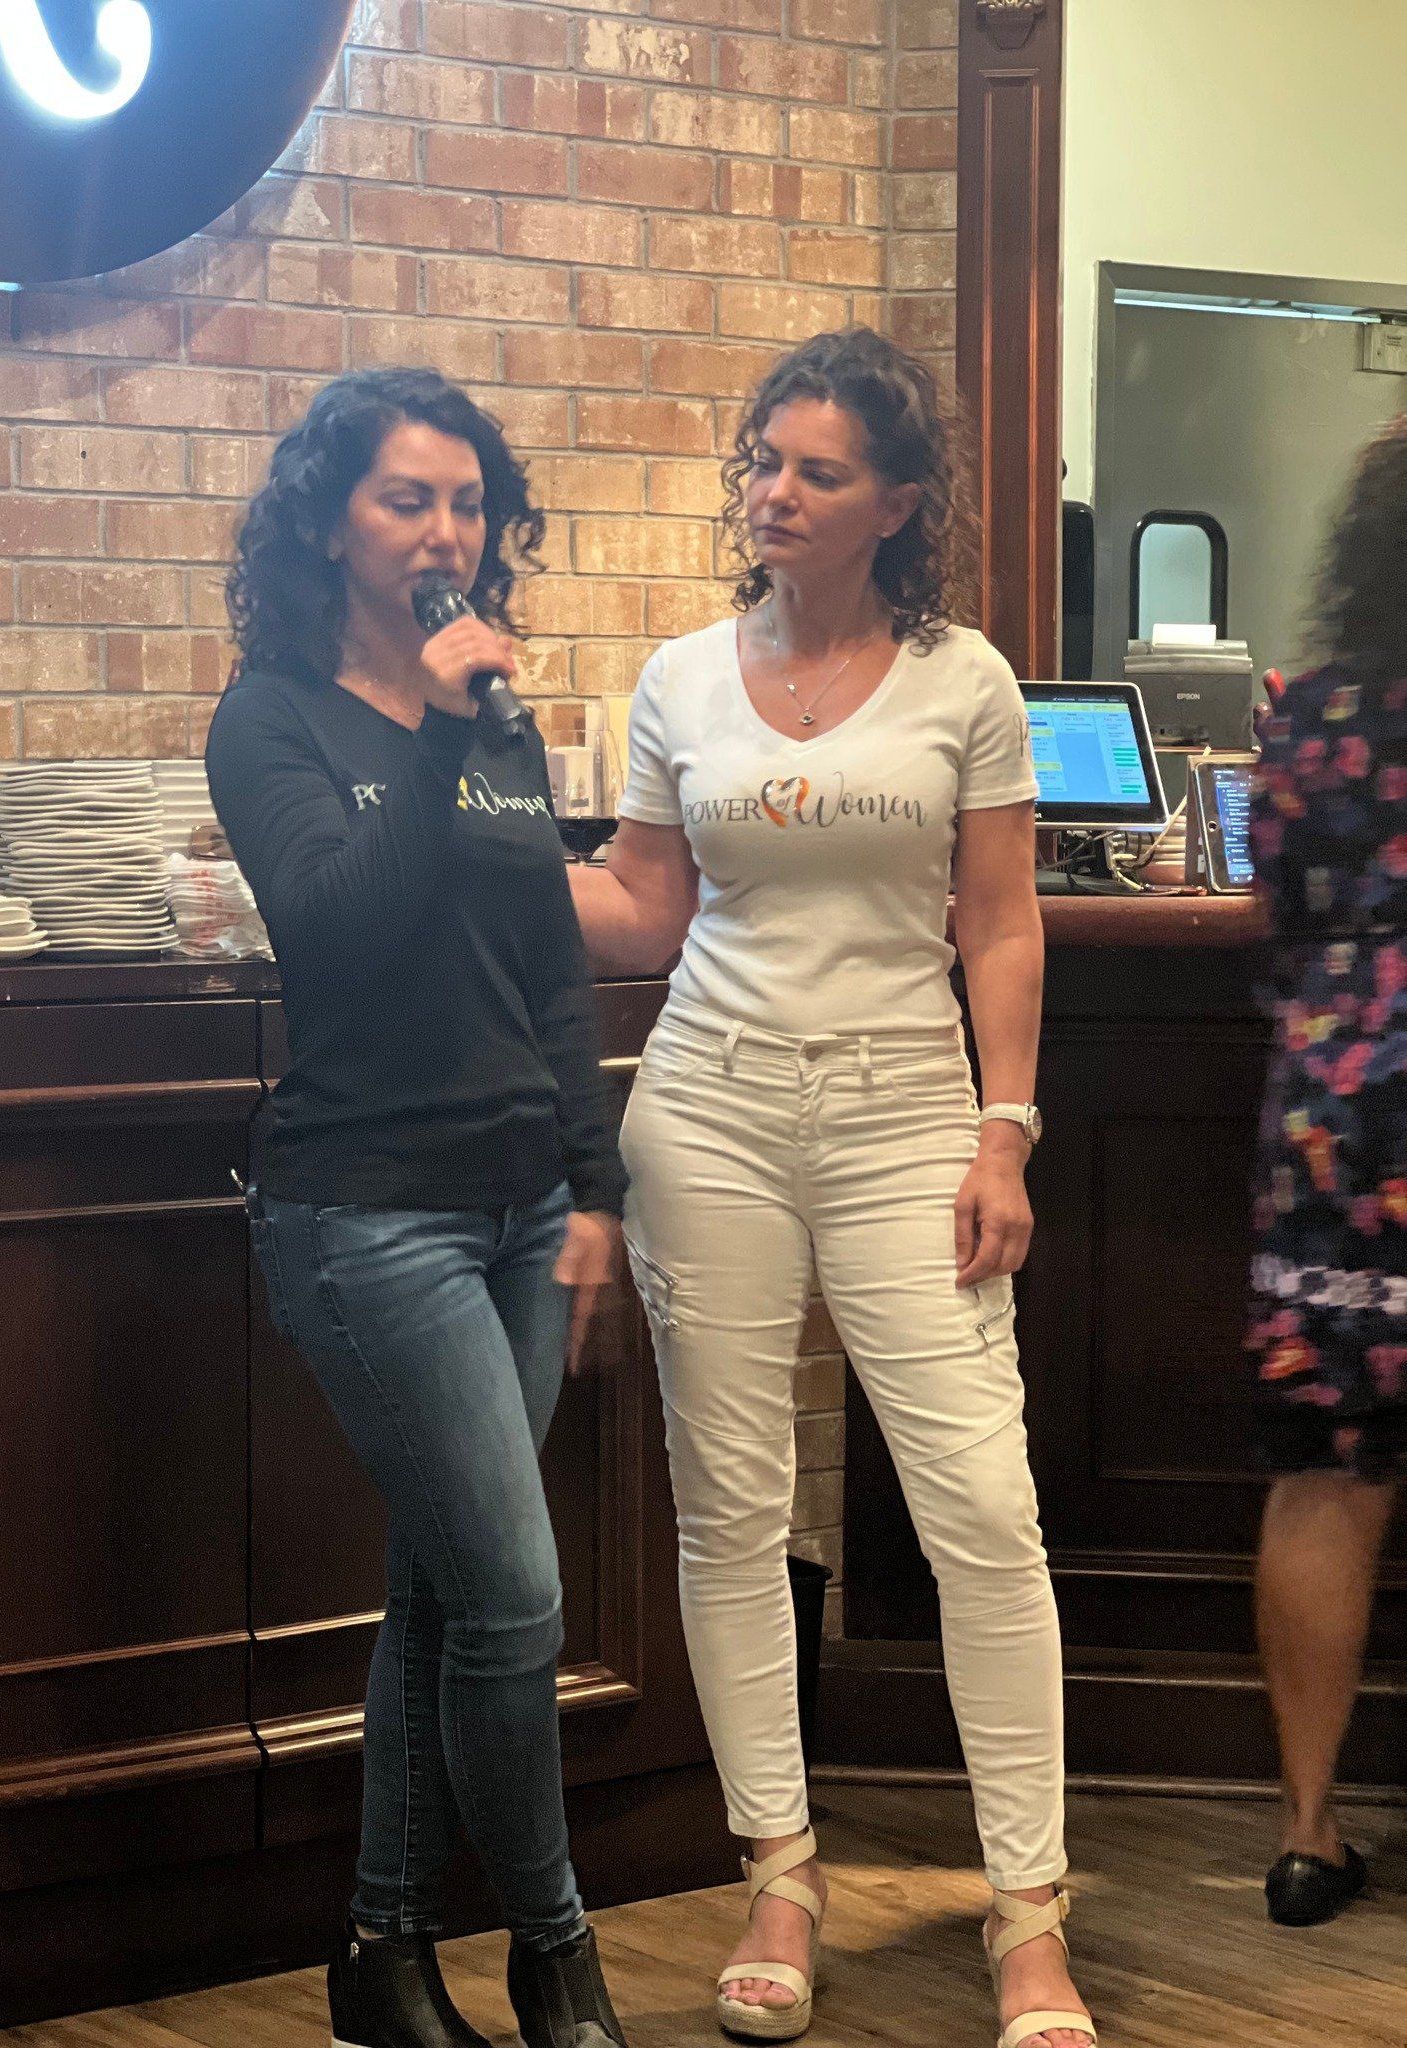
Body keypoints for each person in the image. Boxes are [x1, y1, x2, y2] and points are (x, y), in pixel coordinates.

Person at [569, 328, 1094, 2048]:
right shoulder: (679, 679)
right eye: (762, 461)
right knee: (731, 1507)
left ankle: (1030, 1918)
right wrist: (474, 852)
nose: (772, 493)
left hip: (906, 1122)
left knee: (982, 1511)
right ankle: (779, 1873)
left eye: (816, 470)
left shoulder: (967, 681)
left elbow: (996, 920)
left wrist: (1004, 1130)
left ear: (898, 503)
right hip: (708, 1112)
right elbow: (647, 910)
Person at [205, 367, 630, 2048]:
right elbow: (337, 927)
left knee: (450, 1595)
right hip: (368, 1214)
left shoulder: (502, 719)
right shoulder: (272, 720)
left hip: (522, 1207)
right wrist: (446, 731)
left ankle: (384, 1955)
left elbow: (546, 971)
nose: (446, 532)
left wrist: (595, 1187)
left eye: (467, 502)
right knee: (516, 1599)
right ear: (330, 524)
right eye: (407, 499)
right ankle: (557, 1955)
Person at [1247, 418, 1407, 1928]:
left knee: (1324, 1473)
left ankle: (1307, 1831)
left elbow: (1279, 903)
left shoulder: (1308, 715)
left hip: (1335, 1115)